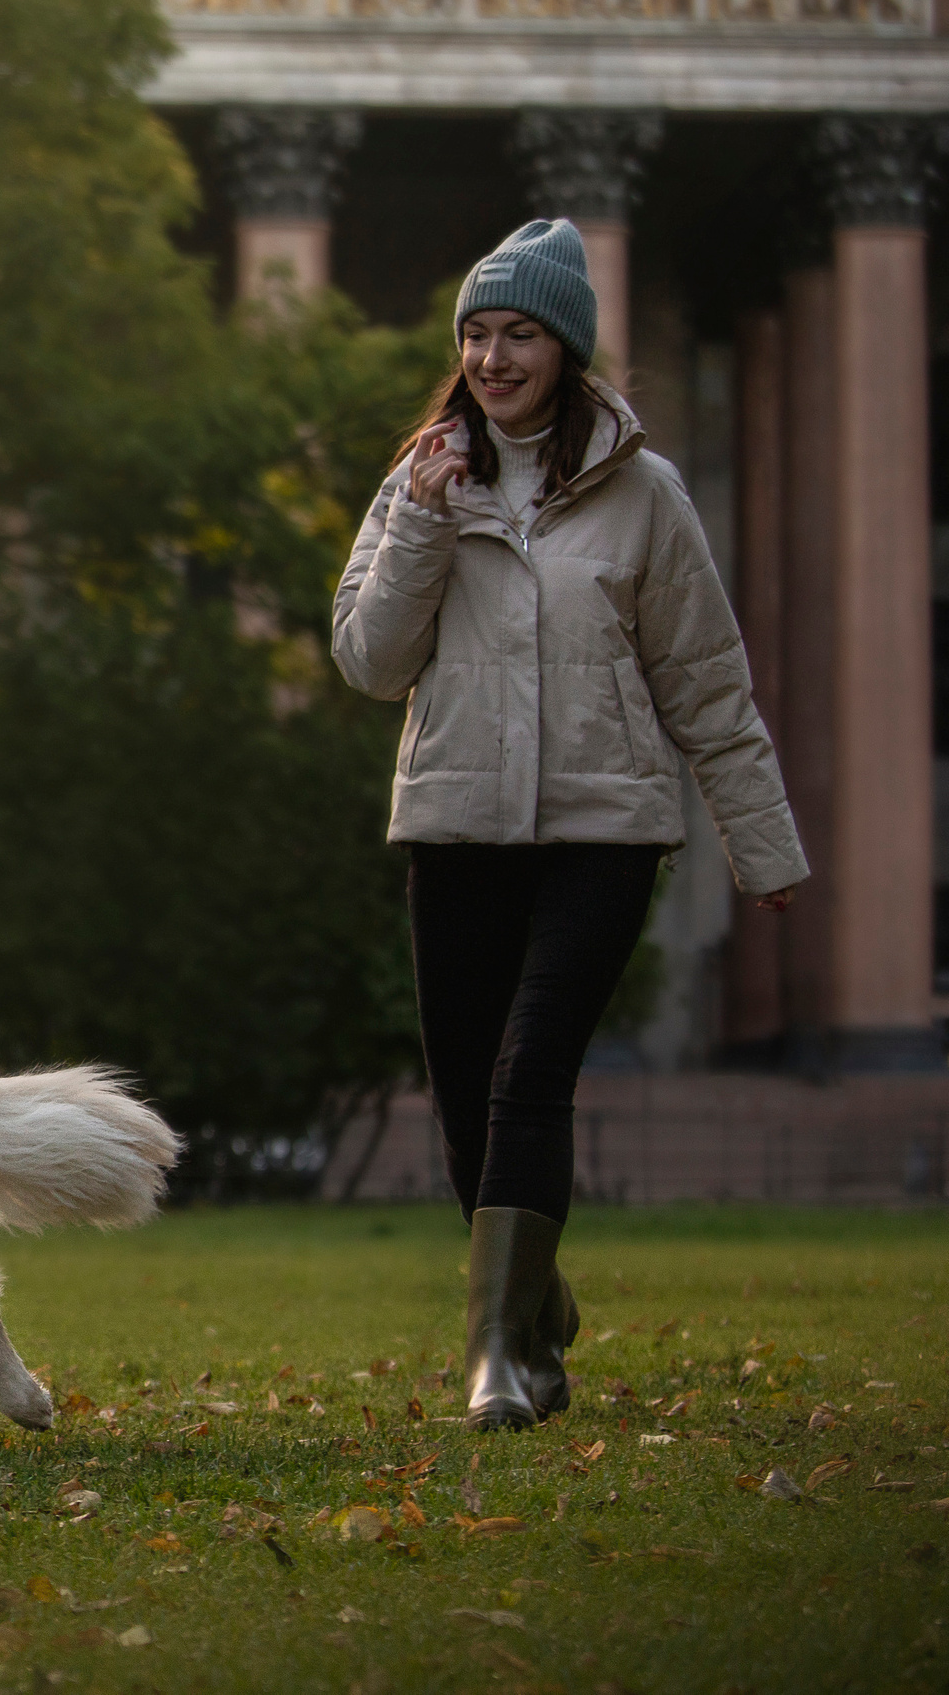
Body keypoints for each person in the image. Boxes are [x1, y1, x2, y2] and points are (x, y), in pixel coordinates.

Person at [331, 219, 808, 1432]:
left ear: (568, 349)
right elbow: (368, 662)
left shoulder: (643, 496)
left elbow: (706, 679)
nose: (493, 357)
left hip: (603, 831)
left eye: (520, 333)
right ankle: (537, 1317)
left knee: (529, 1072)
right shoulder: (419, 481)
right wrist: (430, 524)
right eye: (476, 334)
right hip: (455, 828)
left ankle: (497, 1353)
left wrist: (763, 846)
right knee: (462, 1096)